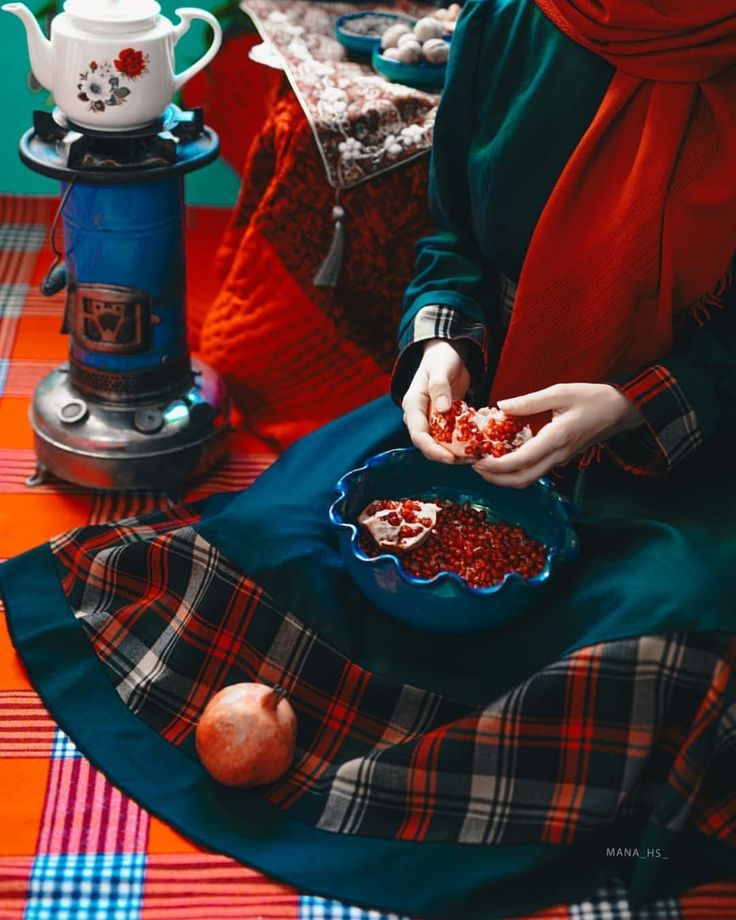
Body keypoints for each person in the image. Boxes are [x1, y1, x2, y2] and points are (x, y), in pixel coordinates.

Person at [3, 2, 736, 918]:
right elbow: (453, 246)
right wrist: (440, 349)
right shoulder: (513, 20)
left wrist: (629, 404)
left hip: (684, 441)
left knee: (668, 640)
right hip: (496, 393)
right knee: (272, 536)